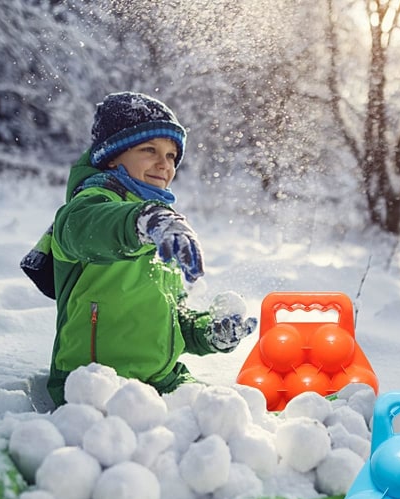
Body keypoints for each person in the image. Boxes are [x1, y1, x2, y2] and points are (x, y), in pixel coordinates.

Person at [46, 91, 256, 406]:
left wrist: (208, 333)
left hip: (164, 381)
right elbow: (84, 228)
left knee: (231, 418)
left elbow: (171, 318)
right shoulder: (91, 207)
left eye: (172, 156)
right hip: (94, 387)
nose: (164, 164)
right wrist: (145, 221)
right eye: (150, 150)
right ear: (112, 156)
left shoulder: (163, 231)